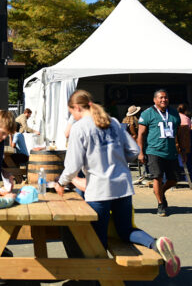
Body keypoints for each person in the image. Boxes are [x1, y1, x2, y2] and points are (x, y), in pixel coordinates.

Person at [55, 89, 181, 278]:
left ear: (76, 108)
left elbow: (73, 164)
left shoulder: (80, 128)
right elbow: (132, 151)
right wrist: (115, 158)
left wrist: (61, 183)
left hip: (99, 190)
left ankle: (98, 279)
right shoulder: (113, 122)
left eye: (71, 112)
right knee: (125, 230)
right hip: (123, 186)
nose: (72, 116)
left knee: (97, 238)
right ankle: (155, 244)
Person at [137, 89, 181, 217]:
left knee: (174, 179)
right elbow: (141, 134)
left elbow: (178, 132)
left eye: (166, 97)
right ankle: (161, 204)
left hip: (171, 151)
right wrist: (140, 152)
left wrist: (182, 149)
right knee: (158, 177)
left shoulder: (173, 113)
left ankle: (160, 191)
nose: (163, 100)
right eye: (161, 98)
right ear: (155, 100)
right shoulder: (147, 114)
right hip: (154, 151)